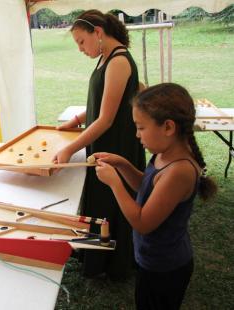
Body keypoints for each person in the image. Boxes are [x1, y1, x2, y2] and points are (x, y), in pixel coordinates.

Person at [94, 83, 217, 309]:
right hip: (152, 260)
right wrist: (122, 165)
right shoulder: (164, 154)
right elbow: (147, 186)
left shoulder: (179, 171)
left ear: (168, 127)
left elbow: (143, 222)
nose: (137, 134)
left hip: (165, 268)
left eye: (141, 127)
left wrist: (114, 183)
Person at [53, 10, 146, 280]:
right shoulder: (105, 58)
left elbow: (106, 119)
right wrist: (77, 119)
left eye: (82, 41)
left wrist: (70, 149)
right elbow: (100, 101)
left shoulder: (118, 61)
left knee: (111, 204)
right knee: (99, 202)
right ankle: (94, 257)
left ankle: (113, 263)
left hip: (117, 144)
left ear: (98, 32)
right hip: (103, 142)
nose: (81, 49)